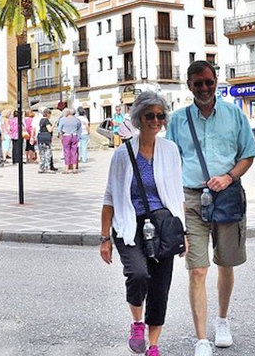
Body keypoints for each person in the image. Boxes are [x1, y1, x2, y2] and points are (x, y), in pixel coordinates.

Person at [165, 60, 255, 356]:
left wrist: (229, 176)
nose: (204, 88)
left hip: (228, 196)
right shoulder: (178, 121)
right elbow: (170, 164)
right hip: (191, 200)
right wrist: (173, 207)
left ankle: (222, 320)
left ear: (216, 80)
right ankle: (201, 337)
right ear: (189, 85)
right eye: (198, 83)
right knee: (197, 269)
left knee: (225, 263)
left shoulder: (234, 115)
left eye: (208, 82)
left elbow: (248, 155)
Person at [100, 91, 187, 356]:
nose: (156, 120)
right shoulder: (123, 154)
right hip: (129, 224)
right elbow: (110, 196)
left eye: (161, 116)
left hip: (163, 225)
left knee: (160, 287)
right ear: (138, 118)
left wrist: (182, 231)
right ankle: (137, 323)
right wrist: (105, 238)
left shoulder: (170, 150)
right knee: (138, 274)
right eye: (150, 115)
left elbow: (176, 193)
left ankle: (153, 345)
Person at [58, 109, 81, 174]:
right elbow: (79, 128)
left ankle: (66, 169)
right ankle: (74, 168)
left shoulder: (63, 119)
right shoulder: (77, 120)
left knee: (66, 152)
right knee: (74, 152)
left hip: (66, 135)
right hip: (74, 135)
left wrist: (60, 136)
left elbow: (59, 129)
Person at [36, 108, 55, 174]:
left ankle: (42, 167)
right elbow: (49, 129)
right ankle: (47, 167)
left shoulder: (41, 120)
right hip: (46, 138)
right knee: (47, 153)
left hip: (40, 137)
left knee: (42, 153)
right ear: (48, 114)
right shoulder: (46, 120)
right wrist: (53, 125)